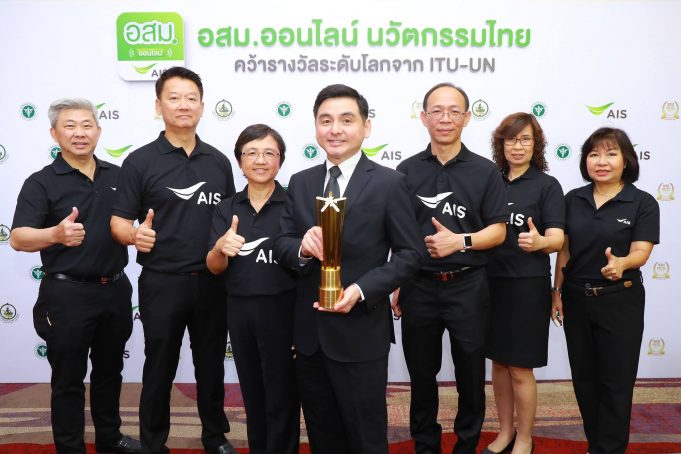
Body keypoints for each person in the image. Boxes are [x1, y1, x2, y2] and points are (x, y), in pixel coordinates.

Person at [274, 84, 422, 454]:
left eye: (346, 120)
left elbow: (410, 255)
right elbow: (282, 243)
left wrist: (361, 290)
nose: (335, 129)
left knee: (365, 437)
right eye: (326, 121)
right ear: (315, 127)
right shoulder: (301, 181)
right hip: (310, 337)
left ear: (366, 127)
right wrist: (302, 248)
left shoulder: (390, 183)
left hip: (361, 334)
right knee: (323, 436)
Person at [110, 67, 237, 454]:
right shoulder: (140, 161)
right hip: (162, 281)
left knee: (211, 365)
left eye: (191, 98)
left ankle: (215, 437)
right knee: (159, 365)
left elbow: (230, 221)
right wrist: (134, 235)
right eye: (174, 98)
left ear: (202, 106)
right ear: (158, 105)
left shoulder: (219, 162)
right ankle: (153, 443)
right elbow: (118, 222)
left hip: (212, 281)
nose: (184, 105)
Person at [10, 98, 140, 454]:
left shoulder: (119, 176)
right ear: (54, 134)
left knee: (109, 373)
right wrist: (55, 234)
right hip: (67, 296)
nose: (79, 133)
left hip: (115, 290)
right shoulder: (41, 182)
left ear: (98, 130)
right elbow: (18, 237)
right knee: (68, 379)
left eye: (86, 125)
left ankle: (110, 439)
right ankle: (70, 447)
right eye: (69, 126)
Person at [394, 82, 507, 454]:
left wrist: (460, 241)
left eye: (454, 111)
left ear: (467, 117)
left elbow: (499, 230)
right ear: (423, 117)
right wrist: (398, 280)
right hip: (418, 286)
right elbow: (399, 233)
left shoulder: (485, 171)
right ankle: (425, 445)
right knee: (420, 375)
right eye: (437, 111)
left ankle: (466, 445)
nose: (445, 118)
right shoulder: (405, 171)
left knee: (470, 375)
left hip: (468, 285)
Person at [551, 127, 659, 454]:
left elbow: (641, 251)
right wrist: (556, 292)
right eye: (594, 154)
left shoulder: (642, 202)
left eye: (611, 154)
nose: (601, 161)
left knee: (616, 382)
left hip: (620, 300)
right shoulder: (573, 199)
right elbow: (565, 252)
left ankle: (610, 449)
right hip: (576, 298)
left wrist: (622, 263)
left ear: (626, 161)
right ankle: (596, 444)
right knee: (584, 380)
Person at [206, 124, 299, 454]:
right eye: (252, 153)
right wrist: (220, 248)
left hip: (284, 309)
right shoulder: (226, 208)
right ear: (239, 160)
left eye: (269, 153)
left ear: (280, 160)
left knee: (283, 394)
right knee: (253, 393)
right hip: (240, 309)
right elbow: (214, 266)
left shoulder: (295, 204)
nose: (260, 160)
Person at [484, 113, 565, 454]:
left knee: (519, 367)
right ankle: (505, 432)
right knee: (498, 364)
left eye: (525, 139)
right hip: (489, 284)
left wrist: (541, 242)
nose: (518, 146)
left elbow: (558, 239)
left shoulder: (547, 185)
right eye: (511, 139)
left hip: (527, 286)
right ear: (501, 144)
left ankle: (525, 438)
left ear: (536, 145)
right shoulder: (489, 180)